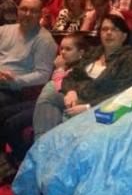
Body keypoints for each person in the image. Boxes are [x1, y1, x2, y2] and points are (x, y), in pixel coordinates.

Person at [33, 15, 132, 138]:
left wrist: (88, 106)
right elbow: (71, 76)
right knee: (50, 90)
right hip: (76, 97)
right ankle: (42, 141)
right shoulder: (94, 52)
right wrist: (71, 91)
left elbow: (123, 92)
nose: (108, 33)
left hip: (97, 104)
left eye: (114, 29)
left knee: (53, 96)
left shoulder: (130, 60)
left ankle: (47, 141)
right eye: (104, 29)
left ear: (124, 36)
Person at [0, 32, 88, 174]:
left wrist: (59, 69)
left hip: (56, 105)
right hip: (43, 99)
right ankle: (6, 160)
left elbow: (60, 87)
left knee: (12, 124)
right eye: (62, 48)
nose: (63, 52)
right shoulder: (66, 65)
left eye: (68, 49)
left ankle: (23, 160)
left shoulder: (81, 68)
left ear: (81, 53)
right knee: (3, 113)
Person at [0, 0, 57, 111]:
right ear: (18, 11)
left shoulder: (45, 40)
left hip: (16, 90)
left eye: (33, 11)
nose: (27, 14)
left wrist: (15, 80)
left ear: (40, 14)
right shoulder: (4, 30)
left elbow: (43, 75)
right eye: (24, 9)